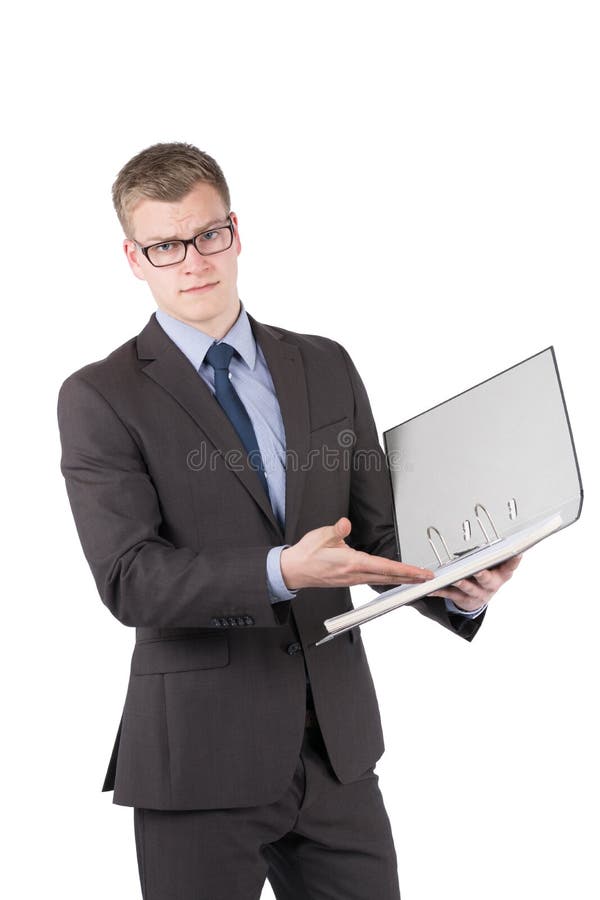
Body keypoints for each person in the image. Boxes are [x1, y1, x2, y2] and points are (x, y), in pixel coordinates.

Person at [57, 142, 520, 900]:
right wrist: (282, 572)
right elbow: (131, 579)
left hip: (336, 751)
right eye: (166, 246)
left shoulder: (325, 364)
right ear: (134, 258)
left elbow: (376, 537)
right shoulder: (101, 396)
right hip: (198, 758)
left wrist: (456, 586)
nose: (193, 261)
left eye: (208, 234)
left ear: (234, 231)